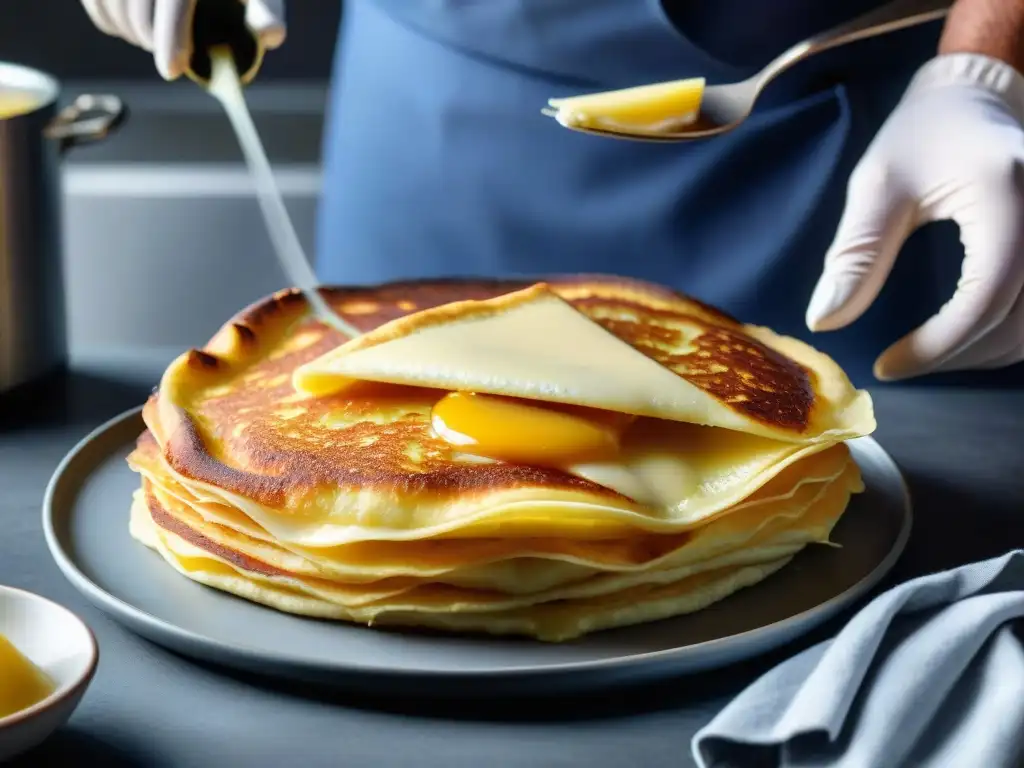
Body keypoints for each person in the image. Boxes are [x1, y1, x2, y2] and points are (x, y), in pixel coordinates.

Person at [80, 0, 1024, 386]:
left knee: (840, 535)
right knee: (380, 501)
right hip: (437, 107)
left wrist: (987, 68)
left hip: (858, 119)